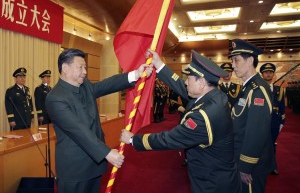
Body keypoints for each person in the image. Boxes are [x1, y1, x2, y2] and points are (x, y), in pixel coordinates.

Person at [121, 49, 241, 193]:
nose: (185, 82)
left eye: (188, 79)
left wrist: (134, 140)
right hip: (220, 174)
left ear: (202, 82)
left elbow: (170, 139)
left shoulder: (204, 115)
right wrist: (159, 64)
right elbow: (180, 86)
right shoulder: (216, 95)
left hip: (212, 183)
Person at [45, 48, 153, 193]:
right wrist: (107, 152)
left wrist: (136, 74)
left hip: (95, 163)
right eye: (80, 67)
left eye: (85, 67)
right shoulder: (55, 98)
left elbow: (106, 85)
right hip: (75, 169)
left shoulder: (85, 86)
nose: (85, 71)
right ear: (65, 68)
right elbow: (78, 131)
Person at [229, 39, 275, 193]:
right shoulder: (247, 87)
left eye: (236, 60)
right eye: (232, 60)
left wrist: (246, 165)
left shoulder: (258, 90)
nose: (233, 65)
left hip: (251, 163)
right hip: (240, 155)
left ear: (250, 60)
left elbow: (257, 131)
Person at [260, 63, 285, 175]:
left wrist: (281, 122)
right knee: (260, 143)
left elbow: (282, 107)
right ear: (262, 74)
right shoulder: (258, 89)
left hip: (274, 120)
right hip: (260, 121)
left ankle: (272, 165)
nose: (268, 74)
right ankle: (260, 164)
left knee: (272, 143)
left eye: (270, 72)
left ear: (273, 74)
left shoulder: (279, 89)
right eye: (266, 72)